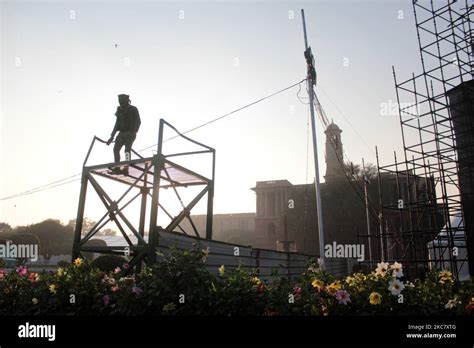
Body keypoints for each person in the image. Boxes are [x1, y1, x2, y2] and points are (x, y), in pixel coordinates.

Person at [106, 94, 141, 175]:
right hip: (121, 133)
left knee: (127, 151)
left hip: (130, 133)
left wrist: (133, 132)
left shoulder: (133, 109)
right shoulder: (119, 110)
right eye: (119, 101)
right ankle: (117, 167)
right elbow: (117, 124)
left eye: (122, 101)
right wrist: (112, 137)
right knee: (116, 149)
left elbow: (138, 121)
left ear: (126, 100)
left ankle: (126, 168)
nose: (120, 103)